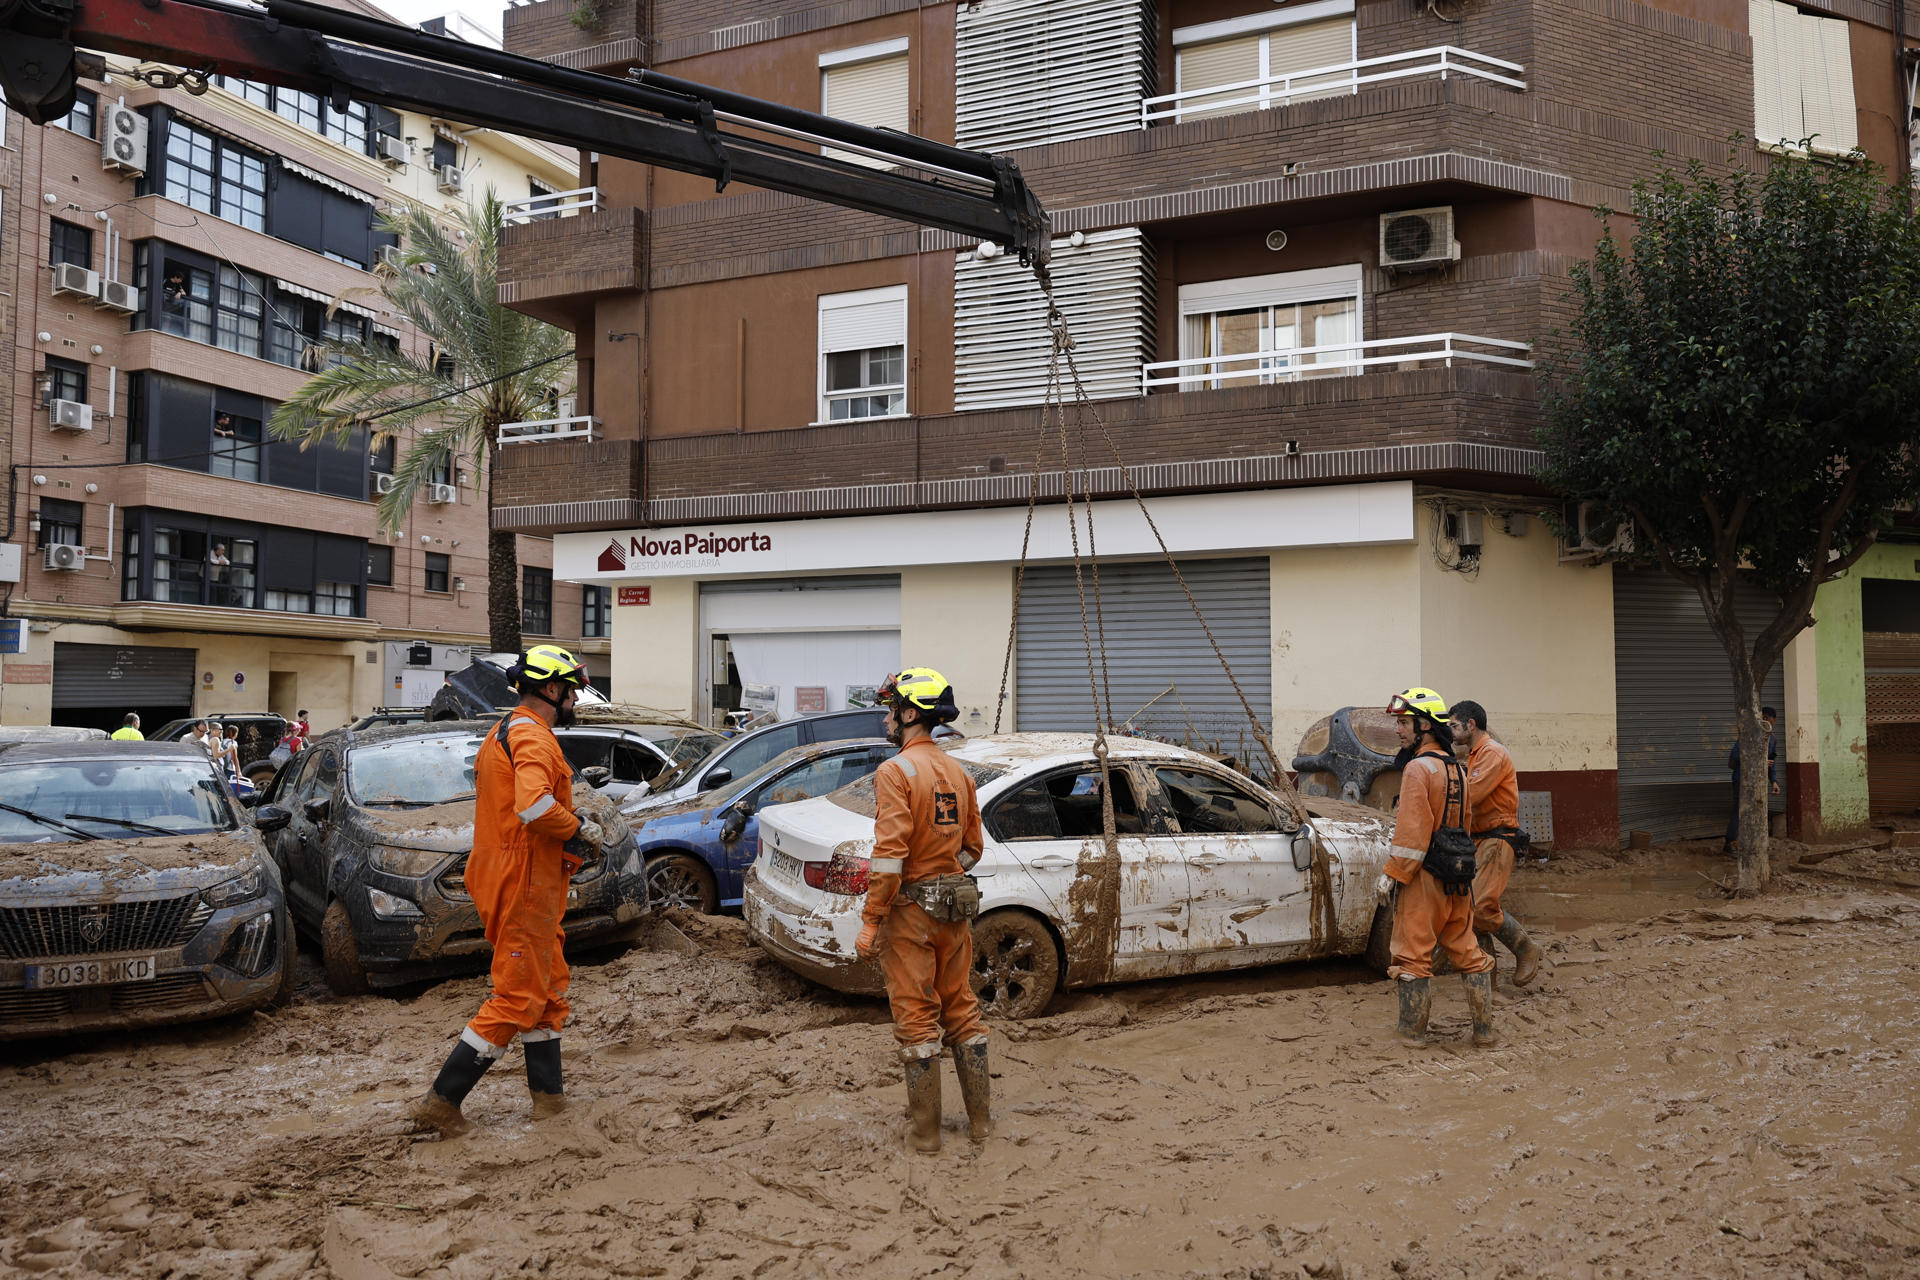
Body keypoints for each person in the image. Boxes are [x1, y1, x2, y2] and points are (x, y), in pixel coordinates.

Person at [408, 645, 604, 1137]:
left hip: (516, 872)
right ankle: (441, 1102)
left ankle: (549, 1101)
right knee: (518, 994)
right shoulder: (533, 737)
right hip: (524, 879)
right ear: (553, 690)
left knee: (547, 986)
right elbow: (534, 808)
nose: (575, 703)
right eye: (573, 692)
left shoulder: (509, 730)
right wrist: (579, 828)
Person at [854, 667, 991, 1153]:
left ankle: (927, 1138)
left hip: (910, 913)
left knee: (916, 1018)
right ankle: (982, 1128)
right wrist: (944, 872)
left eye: (892, 711)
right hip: (954, 909)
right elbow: (974, 848)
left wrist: (872, 921)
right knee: (963, 1013)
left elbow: (888, 858)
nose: (887, 719)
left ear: (911, 714)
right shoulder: (960, 772)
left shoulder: (895, 772)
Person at [1380, 687, 1496, 1047]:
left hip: (1425, 878)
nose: (1399, 730)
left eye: (1404, 723)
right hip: (1459, 875)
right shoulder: (1457, 768)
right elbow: (1464, 822)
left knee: (1412, 955)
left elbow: (1412, 834)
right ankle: (1484, 1032)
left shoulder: (1417, 769)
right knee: (1467, 950)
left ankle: (1411, 1033)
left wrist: (1393, 875)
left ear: (1425, 726)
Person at [1449, 700, 1543, 987]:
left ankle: (1525, 947)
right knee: (1468, 908)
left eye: (1454, 725)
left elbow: (1471, 796)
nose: (1451, 732)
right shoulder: (1475, 755)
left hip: (1497, 838)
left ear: (1471, 724)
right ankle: (1486, 981)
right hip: (1478, 840)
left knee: (1481, 907)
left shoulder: (1492, 754)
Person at [1724, 706, 1780, 853]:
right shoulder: (1747, 735)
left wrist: (1773, 781)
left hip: (1759, 783)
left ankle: (1756, 846)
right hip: (1742, 780)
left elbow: (1771, 762)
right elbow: (1736, 756)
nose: (1771, 724)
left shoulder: (1772, 739)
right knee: (1739, 811)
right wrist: (1760, 760)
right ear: (1766, 719)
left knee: (1758, 811)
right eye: (1771, 720)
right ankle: (1730, 843)